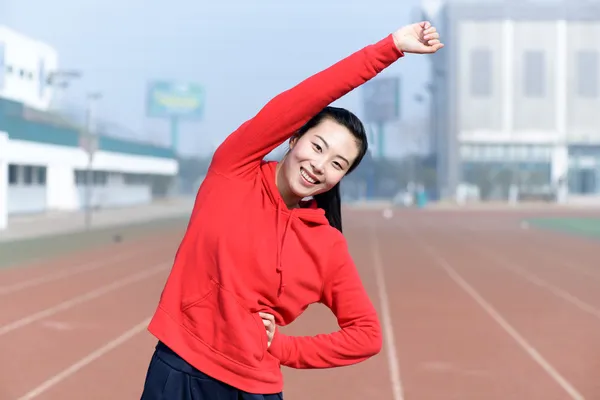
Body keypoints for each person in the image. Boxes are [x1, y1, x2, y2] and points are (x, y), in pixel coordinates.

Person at [141, 21, 443, 400]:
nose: (320, 165)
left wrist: (285, 349)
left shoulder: (327, 245)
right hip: (181, 369)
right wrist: (391, 47)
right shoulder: (234, 171)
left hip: (255, 390)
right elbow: (309, 96)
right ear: (294, 137)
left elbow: (367, 335)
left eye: (338, 164)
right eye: (318, 147)